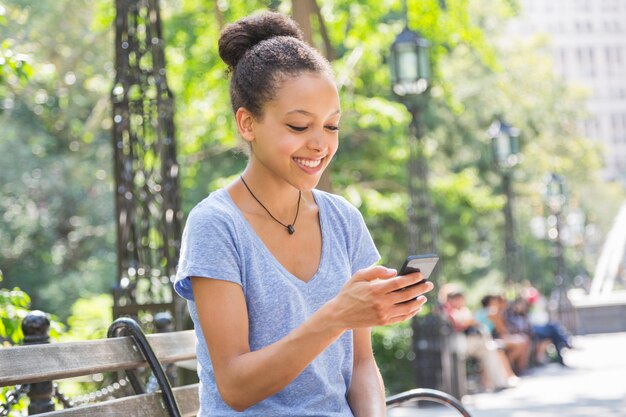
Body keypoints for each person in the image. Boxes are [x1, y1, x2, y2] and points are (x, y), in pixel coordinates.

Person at [173, 11, 433, 417]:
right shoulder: (216, 225)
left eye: (331, 127)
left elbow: (361, 365)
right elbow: (236, 387)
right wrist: (336, 315)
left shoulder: (343, 220)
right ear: (247, 123)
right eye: (298, 126)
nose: (319, 145)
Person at [441, 286, 517, 391]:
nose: (460, 301)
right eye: (456, 298)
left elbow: (473, 321)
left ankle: (499, 383)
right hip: (457, 343)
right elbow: (459, 324)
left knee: (490, 349)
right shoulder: (447, 310)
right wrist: (467, 321)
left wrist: (469, 321)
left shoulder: (463, 310)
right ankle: (494, 382)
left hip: (472, 342)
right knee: (489, 346)